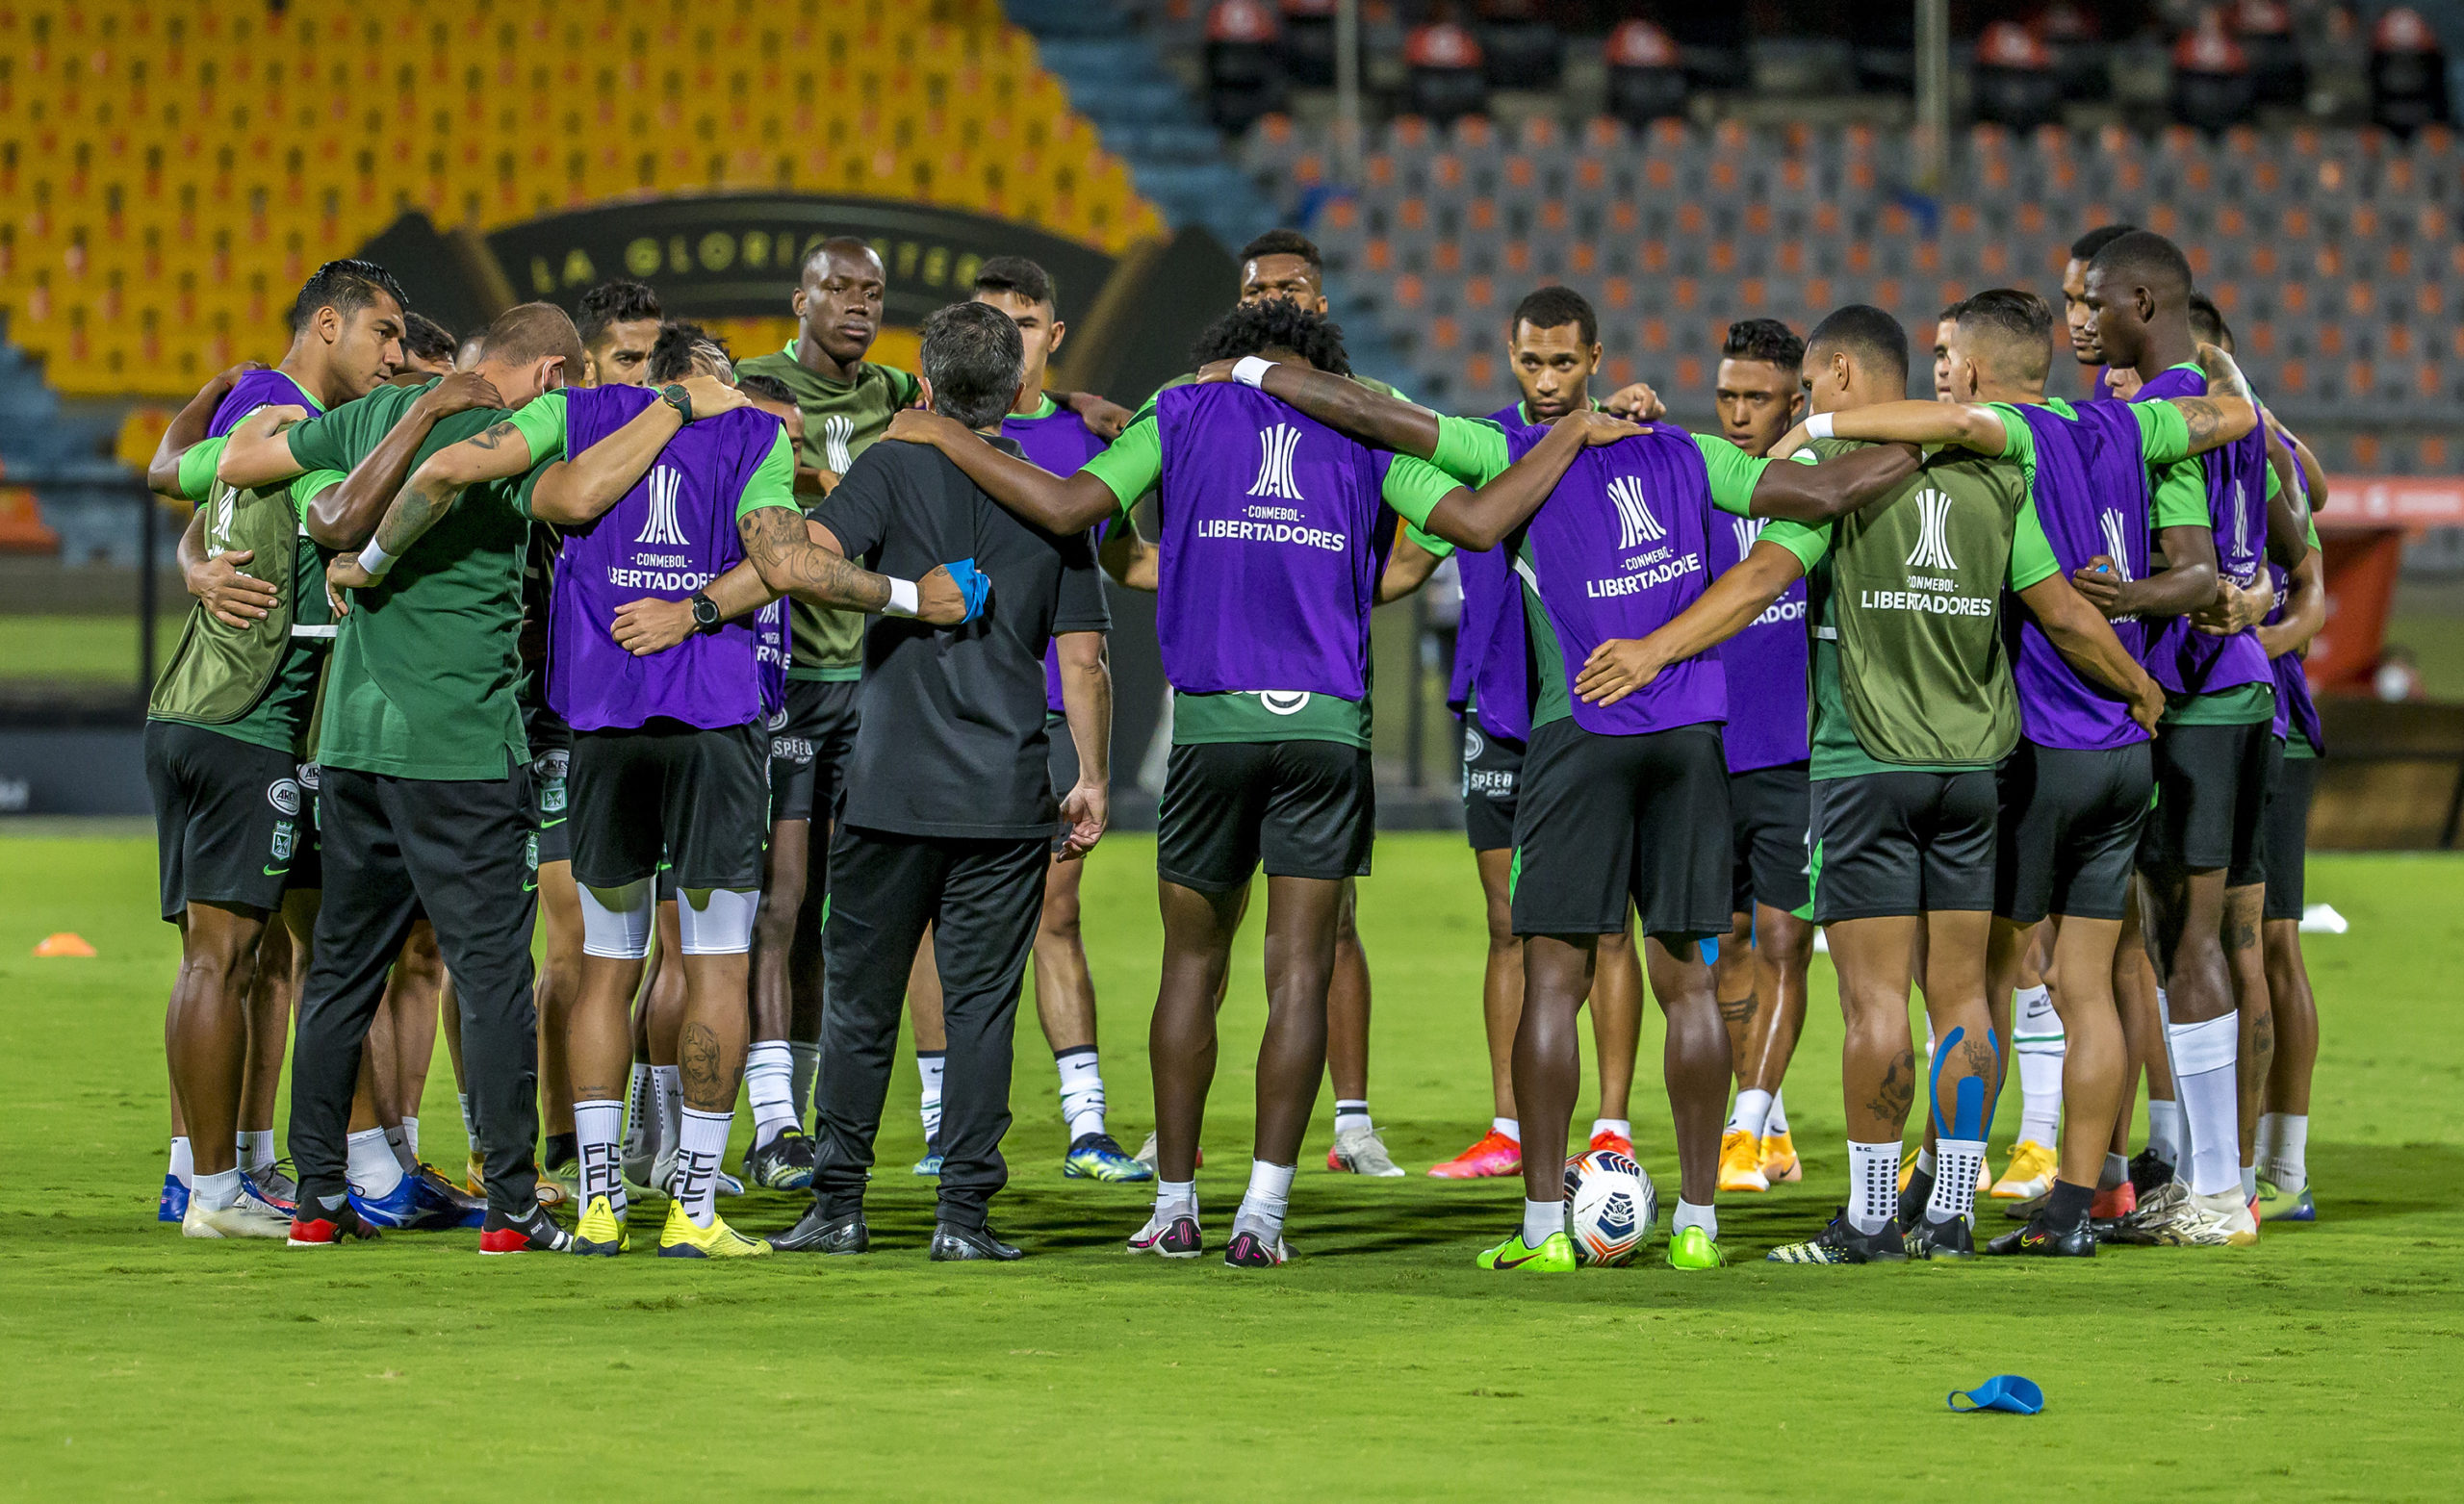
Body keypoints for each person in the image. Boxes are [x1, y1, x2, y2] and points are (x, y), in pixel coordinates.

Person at [1230, 338, 1932, 1273]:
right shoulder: (1692, 454)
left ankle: (1540, 1233)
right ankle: (1698, 1226)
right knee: (1686, 980)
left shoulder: (1515, 452)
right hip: (1691, 741)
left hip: (1581, 731)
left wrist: (1250, 374)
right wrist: (1921, 440)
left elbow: (1375, 417)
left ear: (1581, 370)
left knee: (1553, 978)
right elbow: (1830, 494)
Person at [885, 298, 1491, 1265]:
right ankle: (1264, 1215)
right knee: (1300, 971)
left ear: (1225, 359)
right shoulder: (1364, 425)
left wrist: (939, 437)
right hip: (1328, 730)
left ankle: (1174, 1208)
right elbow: (1475, 514)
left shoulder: (1180, 412)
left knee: (1192, 968)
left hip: (1211, 728)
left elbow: (1066, 508)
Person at [346, 320, 965, 1257]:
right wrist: (916, 598)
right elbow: (790, 564)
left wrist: (370, 559)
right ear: (708, 379)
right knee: (715, 962)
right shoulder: (751, 434)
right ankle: (693, 1208)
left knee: (606, 960)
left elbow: (456, 471)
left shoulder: (577, 414)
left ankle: (598, 1203)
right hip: (714, 723)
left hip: (599, 724)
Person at [1589, 304, 2163, 1264]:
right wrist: (2139, 685)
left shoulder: (1835, 472)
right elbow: (2061, 611)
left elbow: (1761, 576)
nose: (1806, 401)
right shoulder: (1994, 473)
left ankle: (1865, 1219)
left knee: (1872, 1007)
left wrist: (1656, 648)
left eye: (1812, 385)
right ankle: (1945, 1213)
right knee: (1962, 1006)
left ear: (1846, 374)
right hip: (1971, 772)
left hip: (1867, 767)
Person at [1764, 291, 2259, 1256]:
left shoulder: (2001, 443)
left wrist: (1813, 426)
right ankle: (2080, 1203)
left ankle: (1933, 1194)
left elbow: (1948, 426)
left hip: (2038, 743)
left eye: (1951, 357)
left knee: (1978, 985)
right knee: (2089, 983)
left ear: (1979, 373)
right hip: (2124, 744)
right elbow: (2231, 417)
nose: (1943, 372)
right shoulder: (2127, 424)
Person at [214, 302, 603, 1253]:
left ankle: (317, 1201)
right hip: (462, 749)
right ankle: (512, 1209)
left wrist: (219, 432)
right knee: (492, 982)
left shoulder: (366, 418)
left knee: (340, 974)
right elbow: (579, 502)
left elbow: (234, 464)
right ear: (553, 373)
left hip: (350, 744)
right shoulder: (514, 442)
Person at [769, 301, 1111, 1262]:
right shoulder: (1055, 500)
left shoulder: (889, 465)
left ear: (924, 386)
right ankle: (963, 1218)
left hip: (887, 788)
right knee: (980, 1009)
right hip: (1005, 791)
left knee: (860, 1004)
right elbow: (1083, 663)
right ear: (1012, 390)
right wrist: (1089, 777)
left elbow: (807, 561)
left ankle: (836, 1204)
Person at [140, 259, 409, 1236]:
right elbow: (344, 519)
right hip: (243, 722)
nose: (395, 353)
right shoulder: (294, 424)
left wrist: (193, 561)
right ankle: (211, 1194)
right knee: (221, 960)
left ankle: (215, 1170)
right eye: (384, 333)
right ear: (328, 324)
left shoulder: (250, 407)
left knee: (254, 960)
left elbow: (168, 475)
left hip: (200, 712)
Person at [2077, 230, 2307, 1248]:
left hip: (2202, 697)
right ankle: (2222, 1179)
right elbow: (2282, 526)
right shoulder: (2229, 411)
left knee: (2191, 936)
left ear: (2141, 299)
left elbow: (2201, 564)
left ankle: (2220, 1190)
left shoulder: (2168, 413)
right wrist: (2256, 590)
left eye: (2092, 301)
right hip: (2238, 692)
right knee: (2195, 937)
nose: (2080, 320)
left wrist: (2142, 597)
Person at [1428, 284, 1645, 1181]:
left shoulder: (1628, 443)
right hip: (1502, 709)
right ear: (1508, 356)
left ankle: (1611, 1128)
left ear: (1596, 360)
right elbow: (1418, 546)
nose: (1549, 379)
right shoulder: (1486, 446)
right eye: (1532, 361)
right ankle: (1510, 1128)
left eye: (1565, 362)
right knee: (1508, 922)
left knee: (1606, 928)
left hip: (1592, 709)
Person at [976, 254, 1156, 1183]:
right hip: (954, 703)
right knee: (940, 913)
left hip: (1049, 702)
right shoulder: (929, 426)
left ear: (1054, 333)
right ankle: (940, 1123)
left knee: (1056, 909)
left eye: (1026, 322)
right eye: (990, 322)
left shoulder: (1099, 443)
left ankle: (1086, 1125)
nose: (1009, 340)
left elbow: (1130, 564)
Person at [1705, 317, 1819, 1195]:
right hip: (1712, 748)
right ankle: (1767, 1128)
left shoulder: (1825, 487)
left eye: (1758, 398)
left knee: (1785, 937)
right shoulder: (1701, 478)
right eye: (1729, 396)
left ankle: (1743, 1128)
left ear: (1798, 400)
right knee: (1726, 942)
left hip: (1798, 755)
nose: (1740, 414)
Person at [2059, 223, 2138, 395]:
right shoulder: (2109, 378)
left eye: (2091, 303)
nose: (2075, 322)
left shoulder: (2191, 384)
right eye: (2069, 300)